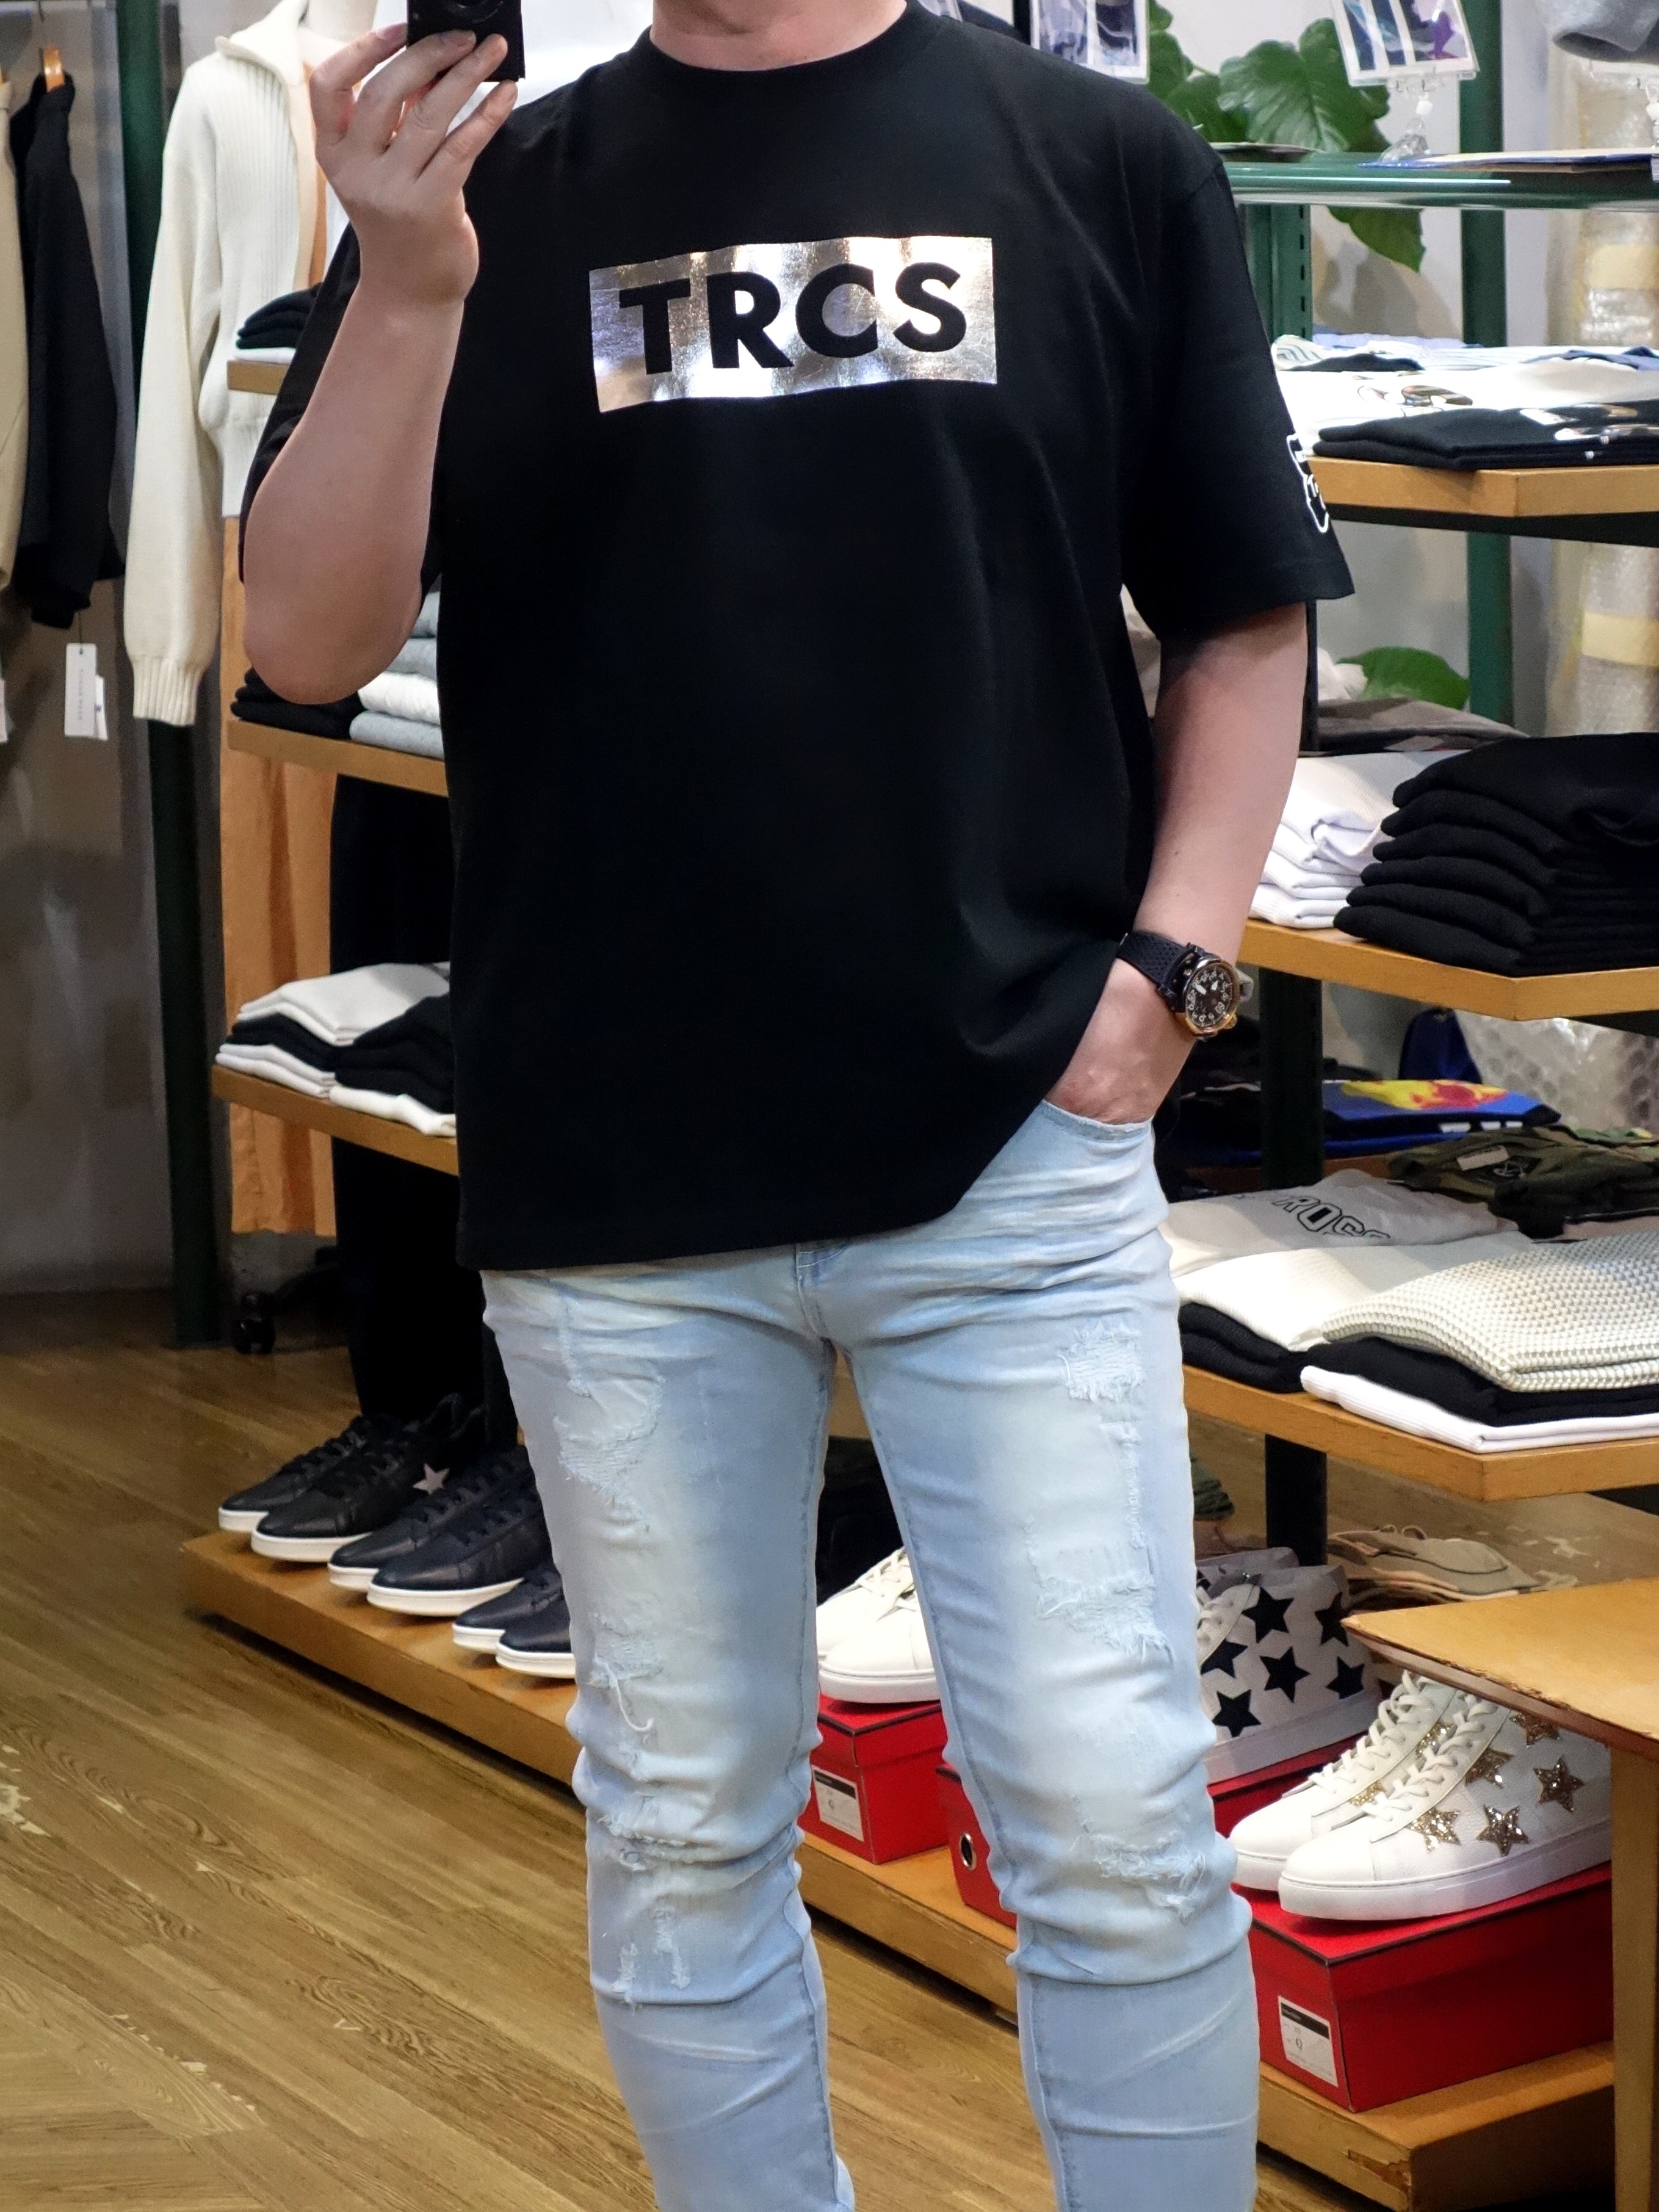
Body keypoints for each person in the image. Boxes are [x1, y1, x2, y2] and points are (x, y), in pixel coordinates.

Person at [241, 0, 1351, 2199]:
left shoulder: (1096, 159)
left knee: (1113, 1822)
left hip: (1017, 1142)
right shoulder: (483, 196)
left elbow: (1242, 613)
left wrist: (1165, 984)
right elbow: (304, 642)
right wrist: (415, 286)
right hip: (617, 1168)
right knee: (682, 1821)